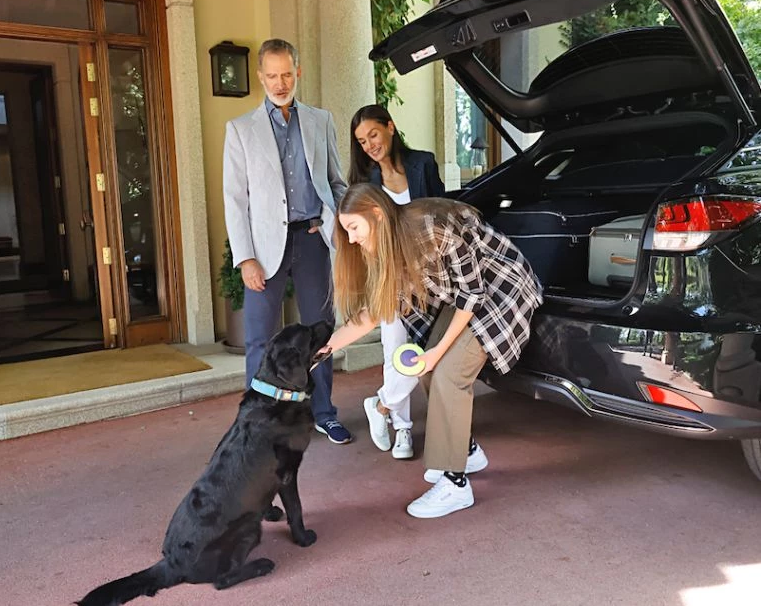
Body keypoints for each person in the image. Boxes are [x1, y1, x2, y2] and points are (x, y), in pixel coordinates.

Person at [322, 183, 543, 518]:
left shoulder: (433, 229)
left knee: (450, 373)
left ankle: (456, 485)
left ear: (377, 215)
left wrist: (438, 353)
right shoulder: (384, 248)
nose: (350, 239)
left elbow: (472, 295)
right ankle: (465, 452)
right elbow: (373, 313)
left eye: (353, 227)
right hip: (464, 299)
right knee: (423, 366)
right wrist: (325, 348)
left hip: (501, 289)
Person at [222, 38, 351, 444]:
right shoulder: (240, 130)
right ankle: (259, 423)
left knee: (321, 335)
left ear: (299, 72)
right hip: (263, 249)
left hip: (313, 241)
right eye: (272, 76)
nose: (280, 83)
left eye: (286, 74)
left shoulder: (320, 121)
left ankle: (323, 412)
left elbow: (336, 182)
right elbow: (235, 199)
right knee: (259, 336)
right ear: (261, 76)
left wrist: (338, 225)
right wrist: (244, 258)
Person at [348, 104, 445, 461]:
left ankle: (382, 405)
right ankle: (403, 429)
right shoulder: (365, 184)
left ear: (390, 127)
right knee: (396, 354)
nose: (369, 144)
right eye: (362, 141)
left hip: (430, 277)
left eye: (373, 134)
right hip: (388, 277)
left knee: (425, 353)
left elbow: (442, 210)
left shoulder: (423, 163)